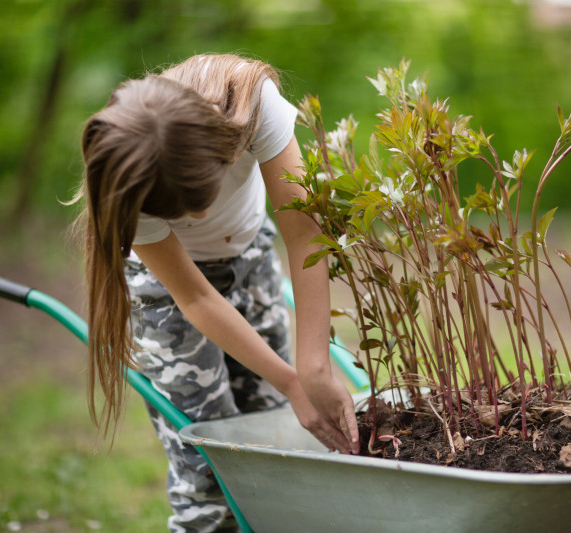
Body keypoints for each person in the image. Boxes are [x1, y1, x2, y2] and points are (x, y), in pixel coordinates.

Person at [74, 53, 360, 532]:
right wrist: (289, 380)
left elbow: (305, 234)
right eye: (180, 214)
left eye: (198, 201)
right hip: (166, 295)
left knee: (272, 440)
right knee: (205, 459)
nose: (200, 219)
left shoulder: (252, 103)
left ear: (219, 146)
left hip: (251, 262)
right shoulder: (127, 180)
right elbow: (196, 299)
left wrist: (309, 369)